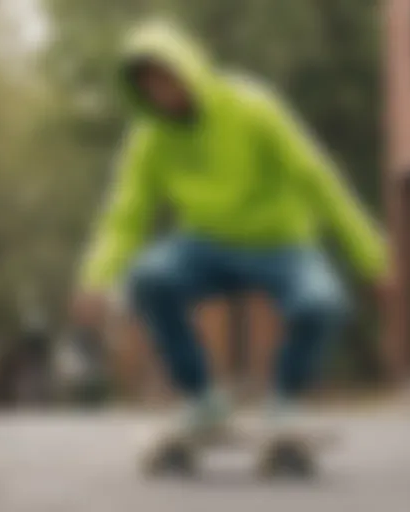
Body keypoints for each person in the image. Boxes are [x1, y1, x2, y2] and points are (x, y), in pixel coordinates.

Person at [73, 20, 389, 462]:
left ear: (190, 69)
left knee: (322, 302)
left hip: (282, 245)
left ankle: (284, 405)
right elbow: (125, 214)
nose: (162, 94)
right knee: (149, 277)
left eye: (167, 79)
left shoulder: (253, 107)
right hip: (206, 246)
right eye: (150, 87)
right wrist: (96, 277)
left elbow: (319, 178)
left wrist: (372, 257)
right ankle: (203, 400)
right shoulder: (150, 137)